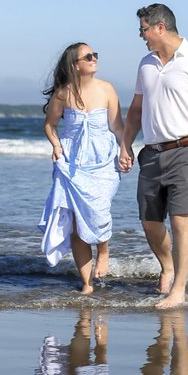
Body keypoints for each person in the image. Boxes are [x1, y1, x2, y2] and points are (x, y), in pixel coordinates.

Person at [117, 4, 188, 310]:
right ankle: (168, 265)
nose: (141, 35)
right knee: (150, 223)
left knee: (180, 223)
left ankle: (179, 290)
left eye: (143, 29)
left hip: (187, 149)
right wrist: (125, 145)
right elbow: (135, 110)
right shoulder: (145, 63)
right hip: (151, 152)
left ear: (160, 27)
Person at [39, 42, 124, 295]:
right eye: (88, 56)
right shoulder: (63, 93)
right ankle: (87, 283)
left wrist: (126, 151)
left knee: (99, 211)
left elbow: (118, 127)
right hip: (72, 162)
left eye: (95, 54)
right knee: (76, 222)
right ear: (75, 65)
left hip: (103, 160)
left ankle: (104, 251)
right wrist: (55, 146)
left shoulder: (107, 89)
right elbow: (49, 125)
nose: (94, 58)